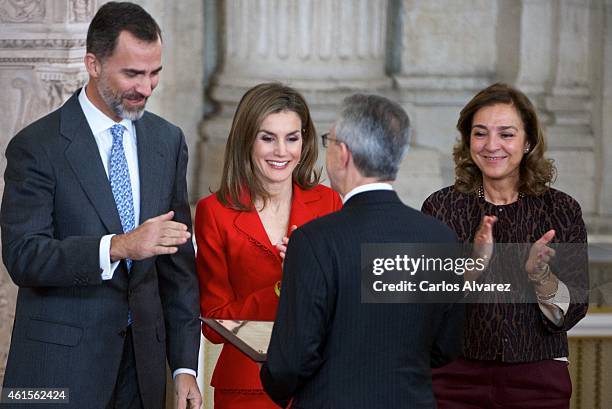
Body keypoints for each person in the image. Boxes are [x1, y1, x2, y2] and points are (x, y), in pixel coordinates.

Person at [0, 2, 201, 408]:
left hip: (141, 373)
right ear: (93, 63)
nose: (145, 88)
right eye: (132, 74)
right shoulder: (37, 147)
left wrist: (184, 369)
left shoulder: (168, 141)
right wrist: (119, 246)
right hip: (56, 372)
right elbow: (23, 256)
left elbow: (178, 270)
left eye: (155, 73)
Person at [259, 94, 464, 409]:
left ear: (343, 154)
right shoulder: (441, 239)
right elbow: (445, 347)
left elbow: (289, 364)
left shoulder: (315, 241)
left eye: (328, 141)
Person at [421, 83, 589, 409]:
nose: (492, 145)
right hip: (454, 378)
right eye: (480, 133)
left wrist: (541, 277)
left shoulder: (561, 209)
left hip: (538, 379)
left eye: (506, 134)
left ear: (528, 142)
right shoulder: (441, 207)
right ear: (468, 140)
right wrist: (473, 265)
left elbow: (573, 309)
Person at [195, 82, 342, 408]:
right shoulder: (214, 213)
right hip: (248, 387)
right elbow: (215, 324)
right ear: (247, 140)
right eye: (267, 138)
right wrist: (282, 287)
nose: (281, 151)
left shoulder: (328, 202)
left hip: (320, 383)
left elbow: (345, 298)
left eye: (292, 138)